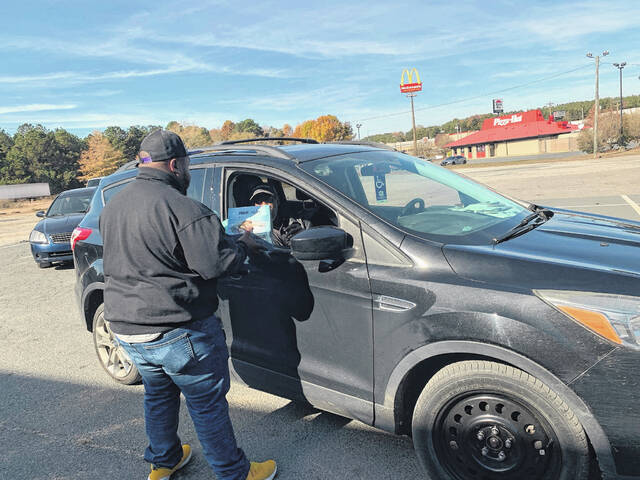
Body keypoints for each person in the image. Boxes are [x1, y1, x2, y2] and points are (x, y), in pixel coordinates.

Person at [99, 129, 277, 480]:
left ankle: (163, 462)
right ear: (176, 164)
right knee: (206, 403)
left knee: (158, 394)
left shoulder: (114, 205)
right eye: (187, 165)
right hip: (176, 331)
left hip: (126, 330)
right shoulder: (182, 207)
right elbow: (216, 263)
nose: (188, 172)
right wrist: (244, 245)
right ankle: (234, 473)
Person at [248, 184, 304, 248]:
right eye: (259, 201)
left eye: (268, 200)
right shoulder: (249, 231)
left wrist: (302, 236)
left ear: (277, 201)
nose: (264, 206)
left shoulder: (296, 222)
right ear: (253, 206)